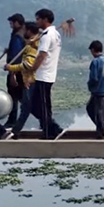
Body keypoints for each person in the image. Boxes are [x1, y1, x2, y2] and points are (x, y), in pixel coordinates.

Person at [30, 9, 65, 140]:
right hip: (47, 75)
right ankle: (52, 128)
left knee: (43, 106)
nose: (36, 21)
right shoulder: (53, 33)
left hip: (44, 75)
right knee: (35, 106)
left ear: (45, 19)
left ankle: (50, 132)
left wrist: (32, 69)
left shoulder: (47, 36)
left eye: (38, 19)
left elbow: (42, 55)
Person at [4, 22, 40, 138]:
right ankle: (50, 125)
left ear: (29, 31)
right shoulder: (30, 44)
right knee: (30, 106)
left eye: (25, 30)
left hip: (31, 79)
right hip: (27, 79)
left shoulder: (34, 45)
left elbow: (28, 64)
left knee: (26, 107)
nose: (24, 32)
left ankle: (16, 130)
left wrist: (11, 68)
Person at [86, 40, 104, 139]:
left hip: (97, 90)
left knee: (95, 110)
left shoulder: (95, 62)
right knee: (95, 110)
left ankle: (102, 129)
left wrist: (90, 87)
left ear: (93, 50)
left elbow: (94, 78)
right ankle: (102, 128)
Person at [5, 13, 27, 127]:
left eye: (12, 23)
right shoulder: (23, 34)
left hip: (16, 72)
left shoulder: (17, 36)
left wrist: (12, 74)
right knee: (20, 97)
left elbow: (16, 57)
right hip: (21, 71)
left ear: (18, 23)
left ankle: (12, 120)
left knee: (14, 97)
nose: (11, 25)